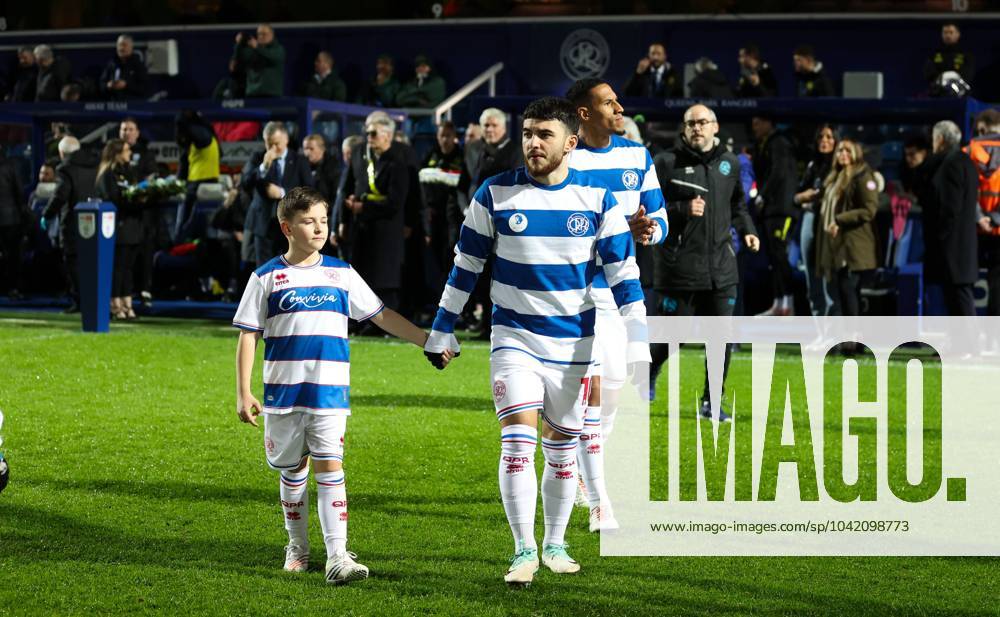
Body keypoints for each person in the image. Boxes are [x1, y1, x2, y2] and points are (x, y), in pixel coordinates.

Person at [425, 96, 649, 587]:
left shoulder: (597, 200)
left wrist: (638, 339)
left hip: (575, 344)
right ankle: (524, 547)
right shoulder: (495, 193)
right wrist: (443, 326)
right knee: (518, 443)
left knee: (563, 452)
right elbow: (466, 267)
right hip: (514, 339)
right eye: (528, 133)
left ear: (571, 142)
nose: (532, 142)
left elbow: (624, 276)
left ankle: (555, 543)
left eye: (544, 134)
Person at [233, 186, 450, 585]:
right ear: (287, 227)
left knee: (331, 467)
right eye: (308, 221)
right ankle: (297, 547)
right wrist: (244, 392)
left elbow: (381, 316)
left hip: (330, 394)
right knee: (292, 472)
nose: (319, 228)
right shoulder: (267, 277)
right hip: (283, 396)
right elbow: (249, 335)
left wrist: (428, 339)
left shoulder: (341, 273)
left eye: (323, 220)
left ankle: (337, 556)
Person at [564, 77, 666, 533]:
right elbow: (561, 227)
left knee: (616, 387)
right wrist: (617, 227)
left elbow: (659, 214)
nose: (619, 107)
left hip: (623, 291)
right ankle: (595, 488)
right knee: (594, 389)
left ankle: (583, 467)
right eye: (609, 102)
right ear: (584, 113)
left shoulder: (636, 156)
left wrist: (648, 231)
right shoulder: (564, 159)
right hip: (577, 293)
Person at [650, 104, 759, 421]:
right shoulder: (666, 163)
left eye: (702, 122)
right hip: (678, 266)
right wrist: (681, 209)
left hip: (722, 268)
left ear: (715, 126)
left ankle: (711, 402)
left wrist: (748, 231)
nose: (696, 128)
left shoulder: (729, 163)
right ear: (683, 129)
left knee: (720, 338)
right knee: (674, 336)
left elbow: (738, 204)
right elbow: (647, 209)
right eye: (690, 123)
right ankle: (650, 369)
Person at [339, 113, 408, 312]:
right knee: (361, 276)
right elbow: (346, 187)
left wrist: (364, 207)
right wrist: (344, 218)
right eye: (367, 132)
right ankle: (361, 319)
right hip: (360, 227)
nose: (369, 137)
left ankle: (383, 322)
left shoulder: (398, 162)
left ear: (387, 135)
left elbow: (395, 203)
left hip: (386, 229)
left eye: (373, 133)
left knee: (384, 279)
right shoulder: (359, 152)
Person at [919, 120, 979, 316]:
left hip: (953, 246)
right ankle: (960, 342)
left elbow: (949, 208)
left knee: (959, 298)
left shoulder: (950, 164)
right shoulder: (965, 161)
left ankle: (968, 344)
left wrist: (940, 238)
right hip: (961, 244)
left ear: (940, 140)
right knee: (955, 297)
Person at [814, 139, 878, 324]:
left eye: (848, 151)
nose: (843, 154)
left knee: (849, 289)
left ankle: (854, 339)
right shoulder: (834, 177)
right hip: (837, 243)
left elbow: (869, 209)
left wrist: (839, 219)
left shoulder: (862, 176)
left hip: (854, 244)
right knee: (844, 290)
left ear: (856, 153)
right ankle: (850, 338)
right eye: (840, 150)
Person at [243, 121, 314, 267]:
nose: (273, 148)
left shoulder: (299, 160)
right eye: (269, 144)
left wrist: (282, 192)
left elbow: (309, 190)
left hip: (290, 224)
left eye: (277, 143)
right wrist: (264, 167)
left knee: (290, 268)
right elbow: (245, 183)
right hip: (263, 224)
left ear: (286, 140)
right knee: (265, 270)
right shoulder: (258, 157)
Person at [43, 136, 99, 312]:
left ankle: (80, 301)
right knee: (92, 262)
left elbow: (61, 195)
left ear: (62, 153)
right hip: (95, 218)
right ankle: (94, 299)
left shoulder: (65, 169)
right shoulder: (95, 164)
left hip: (73, 222)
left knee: (73, 262)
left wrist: (47, 214)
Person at [751, 115, 799, 316]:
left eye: (758, 122)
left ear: (770, 122)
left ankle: (789, 302)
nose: (755, 127)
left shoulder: (779, 142)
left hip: (783, 209)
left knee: (780, 254)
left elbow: (779, 172)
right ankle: (779, 302)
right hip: (770, 211)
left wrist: (762, 195)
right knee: (773, 256)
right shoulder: (763, 144)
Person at [95, 139, 143, 320]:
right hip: (116, 227)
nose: (129, 153)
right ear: (116, 153)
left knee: (128, 268)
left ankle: (127, 303)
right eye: (126, 150)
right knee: (118, 268)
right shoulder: (107, 174)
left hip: (132, 226)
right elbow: (112, 199)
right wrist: (132, 200)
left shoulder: (129, 171)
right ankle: (115, 305)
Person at [794, 124, 838, 316]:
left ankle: (834, 332)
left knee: (831, 279)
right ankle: (820, 330)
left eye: (829, 137)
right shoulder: (812, 165)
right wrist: (806, 197)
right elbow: (796, 196)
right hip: (810, 219)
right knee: (811, 277)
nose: (824, 141)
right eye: (821, 137)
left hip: (831, 221)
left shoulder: (841, 167)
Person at [419, 121, 464, 294]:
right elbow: (420, 180)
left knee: (452, 257)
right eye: (441, 136)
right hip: (433, 216)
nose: (444, 140)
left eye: (448, 136)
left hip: (455, 217)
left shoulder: (461, 156)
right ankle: (437, 298)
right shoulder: (430, 155)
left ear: (454, 138)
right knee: (435, 259)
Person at [120, 117, 160, 305]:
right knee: (125, 257)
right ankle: (125, 292)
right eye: (123, 129)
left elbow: (153, 178)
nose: (126, 132)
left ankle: (145, 290)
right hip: (124, 213)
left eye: (130, 129)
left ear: (137, 132)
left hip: (144, 213)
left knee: (144, 252)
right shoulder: (114, 153)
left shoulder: (146, 153)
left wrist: (141, 188)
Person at [968, 110, 1000, 316]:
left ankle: (968, 337)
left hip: (972, 229)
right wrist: (995, 219)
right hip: (996, 228)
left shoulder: (967, 151)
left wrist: (980, 218)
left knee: (964, 283)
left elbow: (965, 192)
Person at [175, 110, 221, 241]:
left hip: (199, 186)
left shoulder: (202, 134)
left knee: (184, 227)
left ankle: (179, 242)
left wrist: (183, 124)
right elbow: (184, 165)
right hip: (200, 184)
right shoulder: (207, 137)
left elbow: (197, 136)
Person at [0, 149, 29, 299]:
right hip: (9, 218)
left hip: (9, 218)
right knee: (12, 255)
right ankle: (12, 288)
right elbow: (19, 192)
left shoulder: (9, 166)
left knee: (11, 255)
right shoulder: (10, 166)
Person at [233, 24, 285, 98]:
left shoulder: (278, 49)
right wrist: (239, 44)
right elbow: (238, 60)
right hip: (252, 94)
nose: (261, 36)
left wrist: (257, 47)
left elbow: (271, 57)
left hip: (271, 96)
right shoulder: (252, 50)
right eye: (259, 34)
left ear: (272, 34)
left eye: (264, 34)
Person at [925, 22, 975, 97]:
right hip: (938, 95)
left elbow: (968, 74)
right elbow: (929, 74)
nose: (948, 35)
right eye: (945, 32)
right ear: (942, 34)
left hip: (961, 96)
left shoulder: (966, 55)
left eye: (951, 32)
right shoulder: (934, 54)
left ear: (958, 34)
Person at [99, 34, 149, 101]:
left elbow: (144, 88)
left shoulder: (138, 65)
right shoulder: (112, 64)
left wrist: (126, 85)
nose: (121, 48)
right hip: (113, 105)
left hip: (132, 105)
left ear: (131, 47)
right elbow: (102, 84)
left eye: (124, 45)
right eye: (119, 45)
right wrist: (108, 86)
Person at [302, 134, 341, 207]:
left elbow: (335, 196)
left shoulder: (333, 167)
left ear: (322, 149)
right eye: (305, 149)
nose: (307, 152)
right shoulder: (300, 164)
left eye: (311, 149)